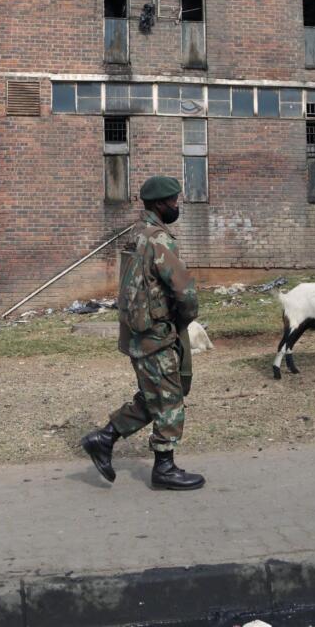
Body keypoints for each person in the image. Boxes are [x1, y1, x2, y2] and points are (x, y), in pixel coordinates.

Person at [81, 176, 204, 490]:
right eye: (174, 201)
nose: (178, 205)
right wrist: (184, 321)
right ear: (161, 204)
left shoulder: (136, 234)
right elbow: (185, 292)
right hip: (156, 334)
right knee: (169, 398)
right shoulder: (159, 240)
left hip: (137, 333)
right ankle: (164, 468)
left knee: (154, 396)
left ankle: (104, 439)